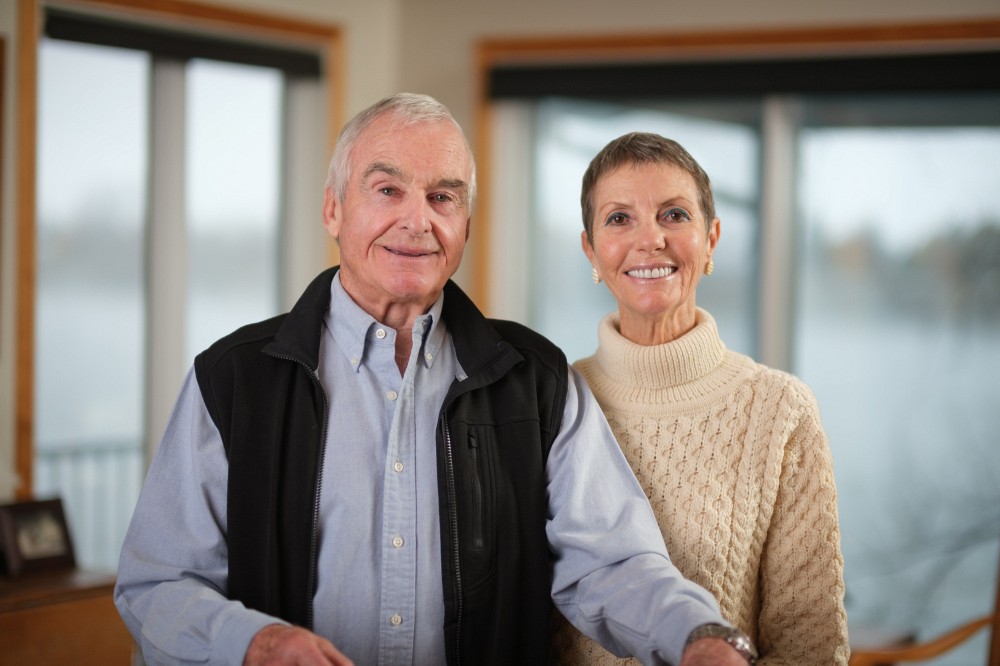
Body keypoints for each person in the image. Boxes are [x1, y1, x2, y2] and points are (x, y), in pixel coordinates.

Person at [114, 94, 755, 666]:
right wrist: (252, 643)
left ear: (466, 226)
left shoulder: (537, 379)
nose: (418, 221)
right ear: (334, 209)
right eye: (387, 190)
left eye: (442, 196)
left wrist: (696, 634)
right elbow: (157, 584)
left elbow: (612, 562)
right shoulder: (232, 379)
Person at [551, 132, 850, 665]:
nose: (650, 240)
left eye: (674, 215)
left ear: (711, 238)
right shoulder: (550, 400)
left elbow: (812, 646)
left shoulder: (781, 412)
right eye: (619, 218)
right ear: (590, 249)